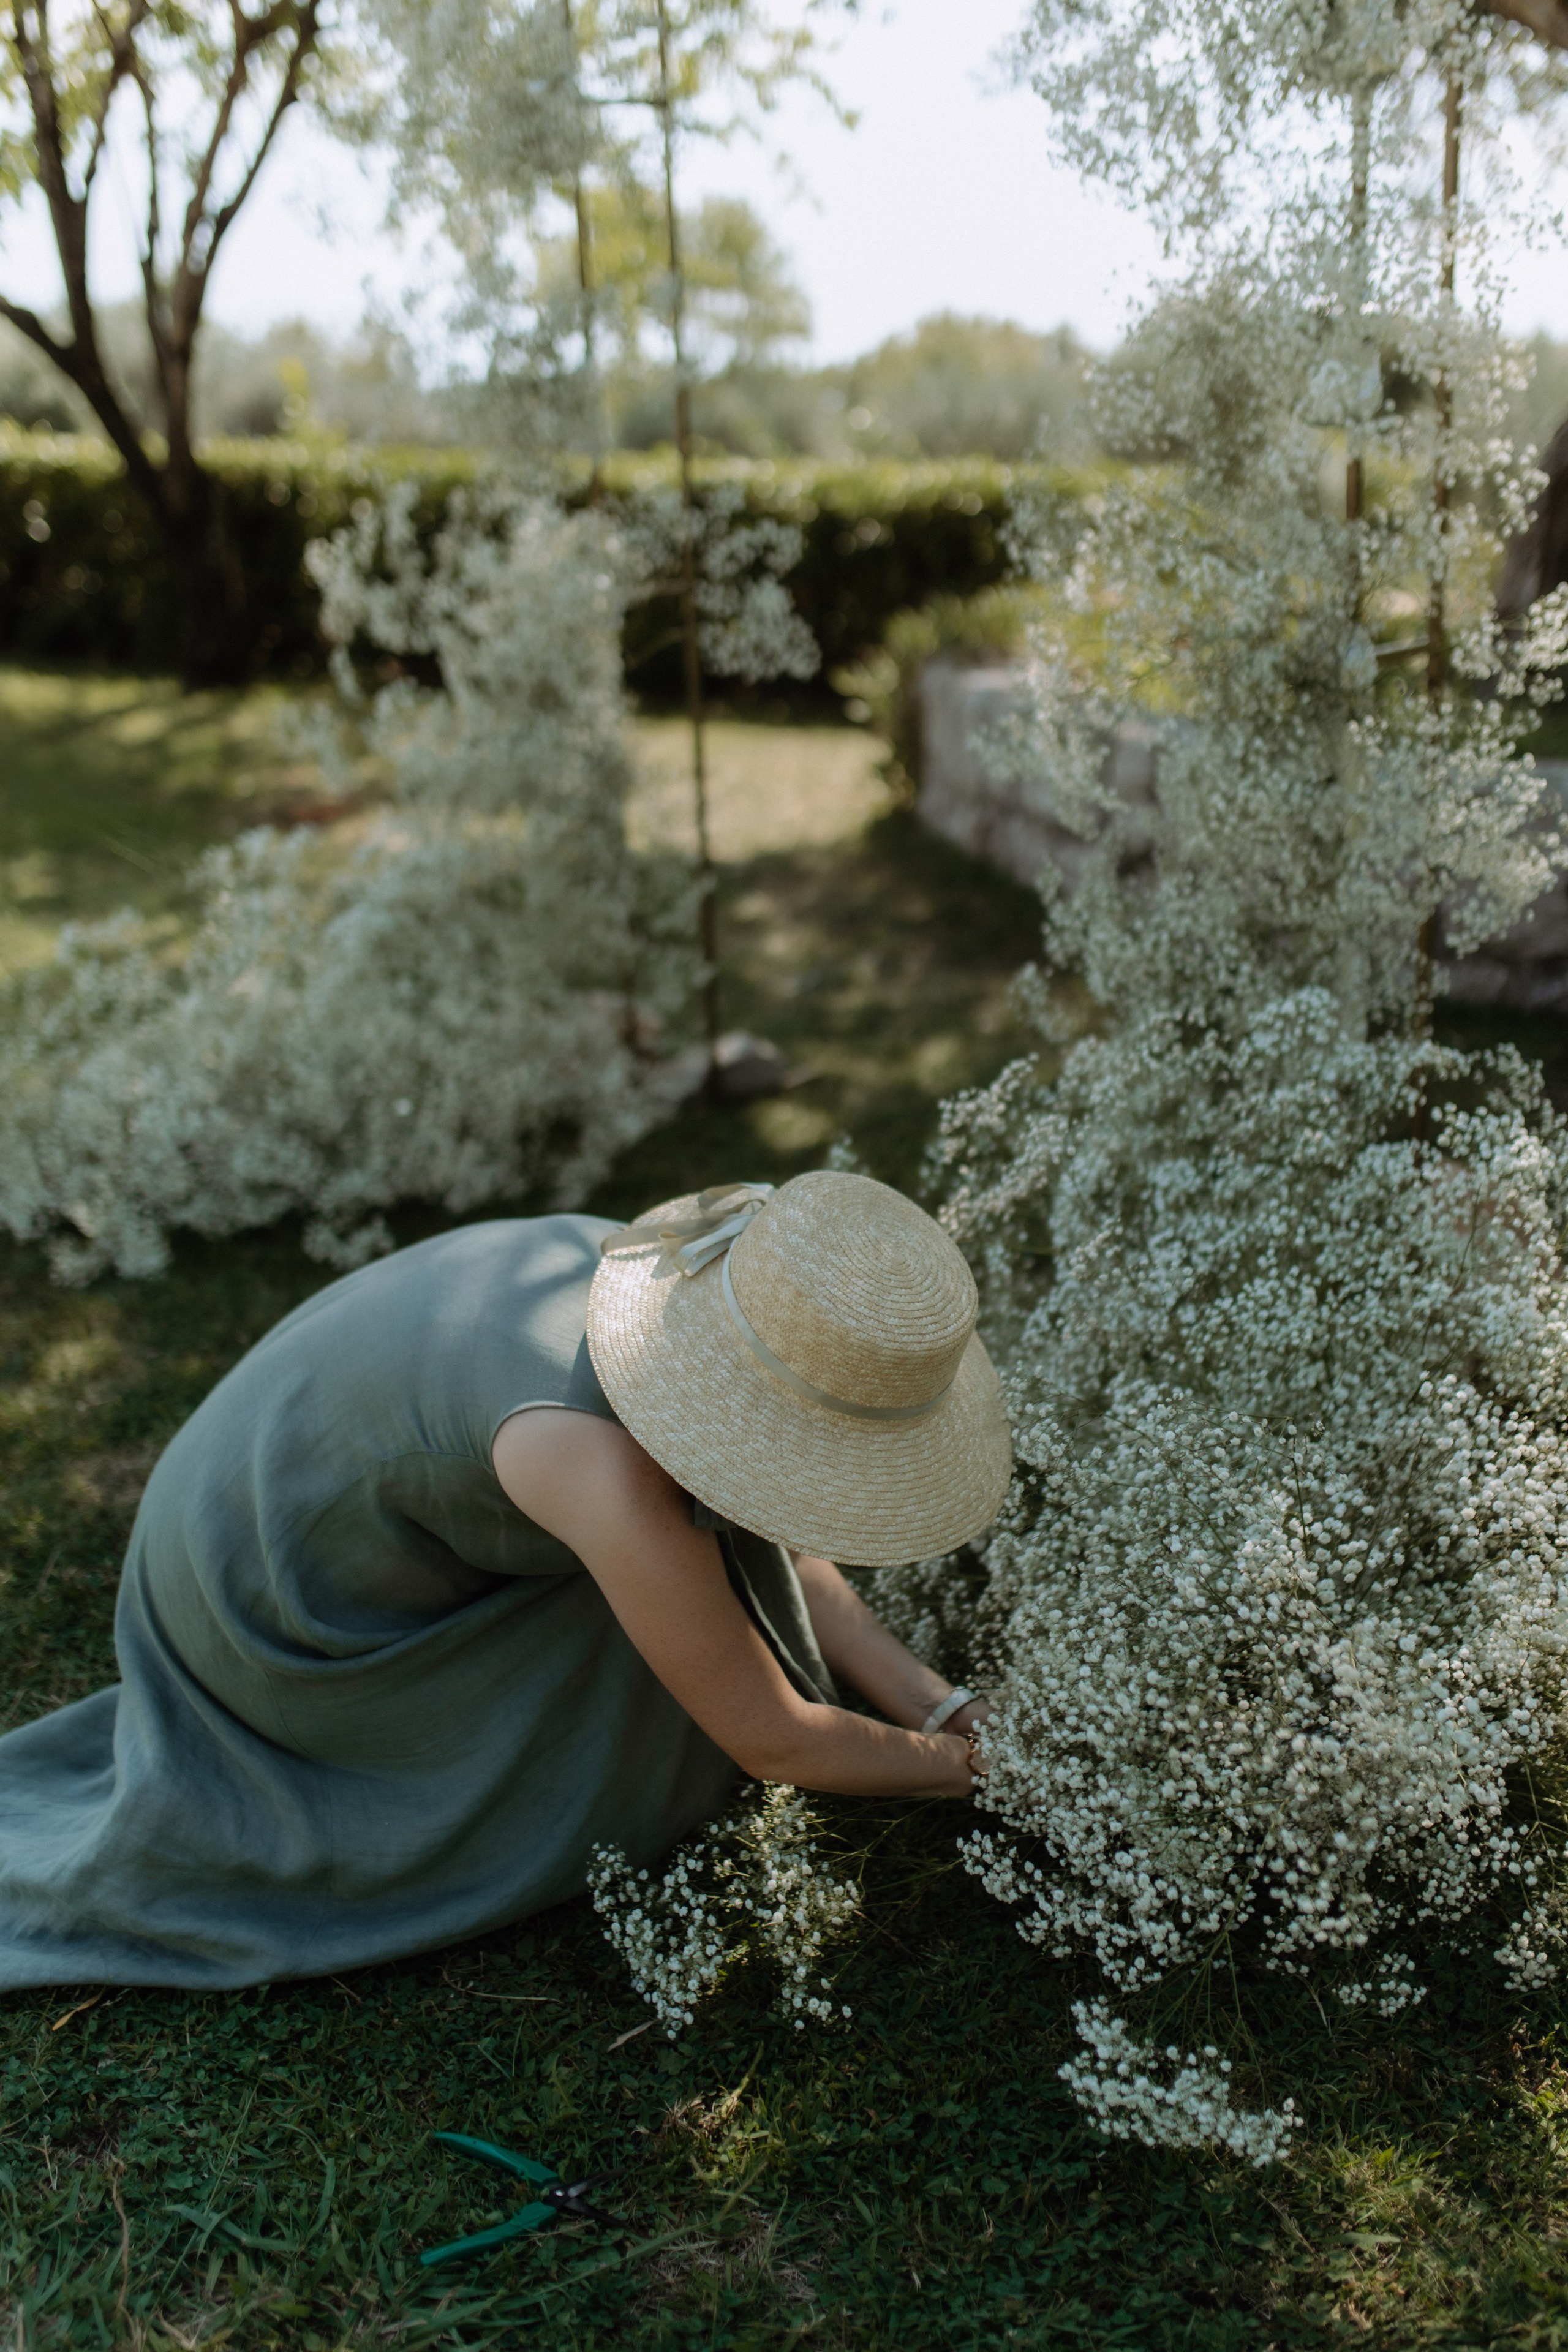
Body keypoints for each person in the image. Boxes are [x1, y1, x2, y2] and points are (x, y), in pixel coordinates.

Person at [0, 1170, 1012, 1991]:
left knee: (698, 1587)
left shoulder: (663, 1279)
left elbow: (770, 1531)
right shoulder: (600, 1472)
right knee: (667, 1703)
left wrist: (937, 1702)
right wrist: (978, 1772)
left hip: (227, 1480)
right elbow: (776, 1738)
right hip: (259, 1614)